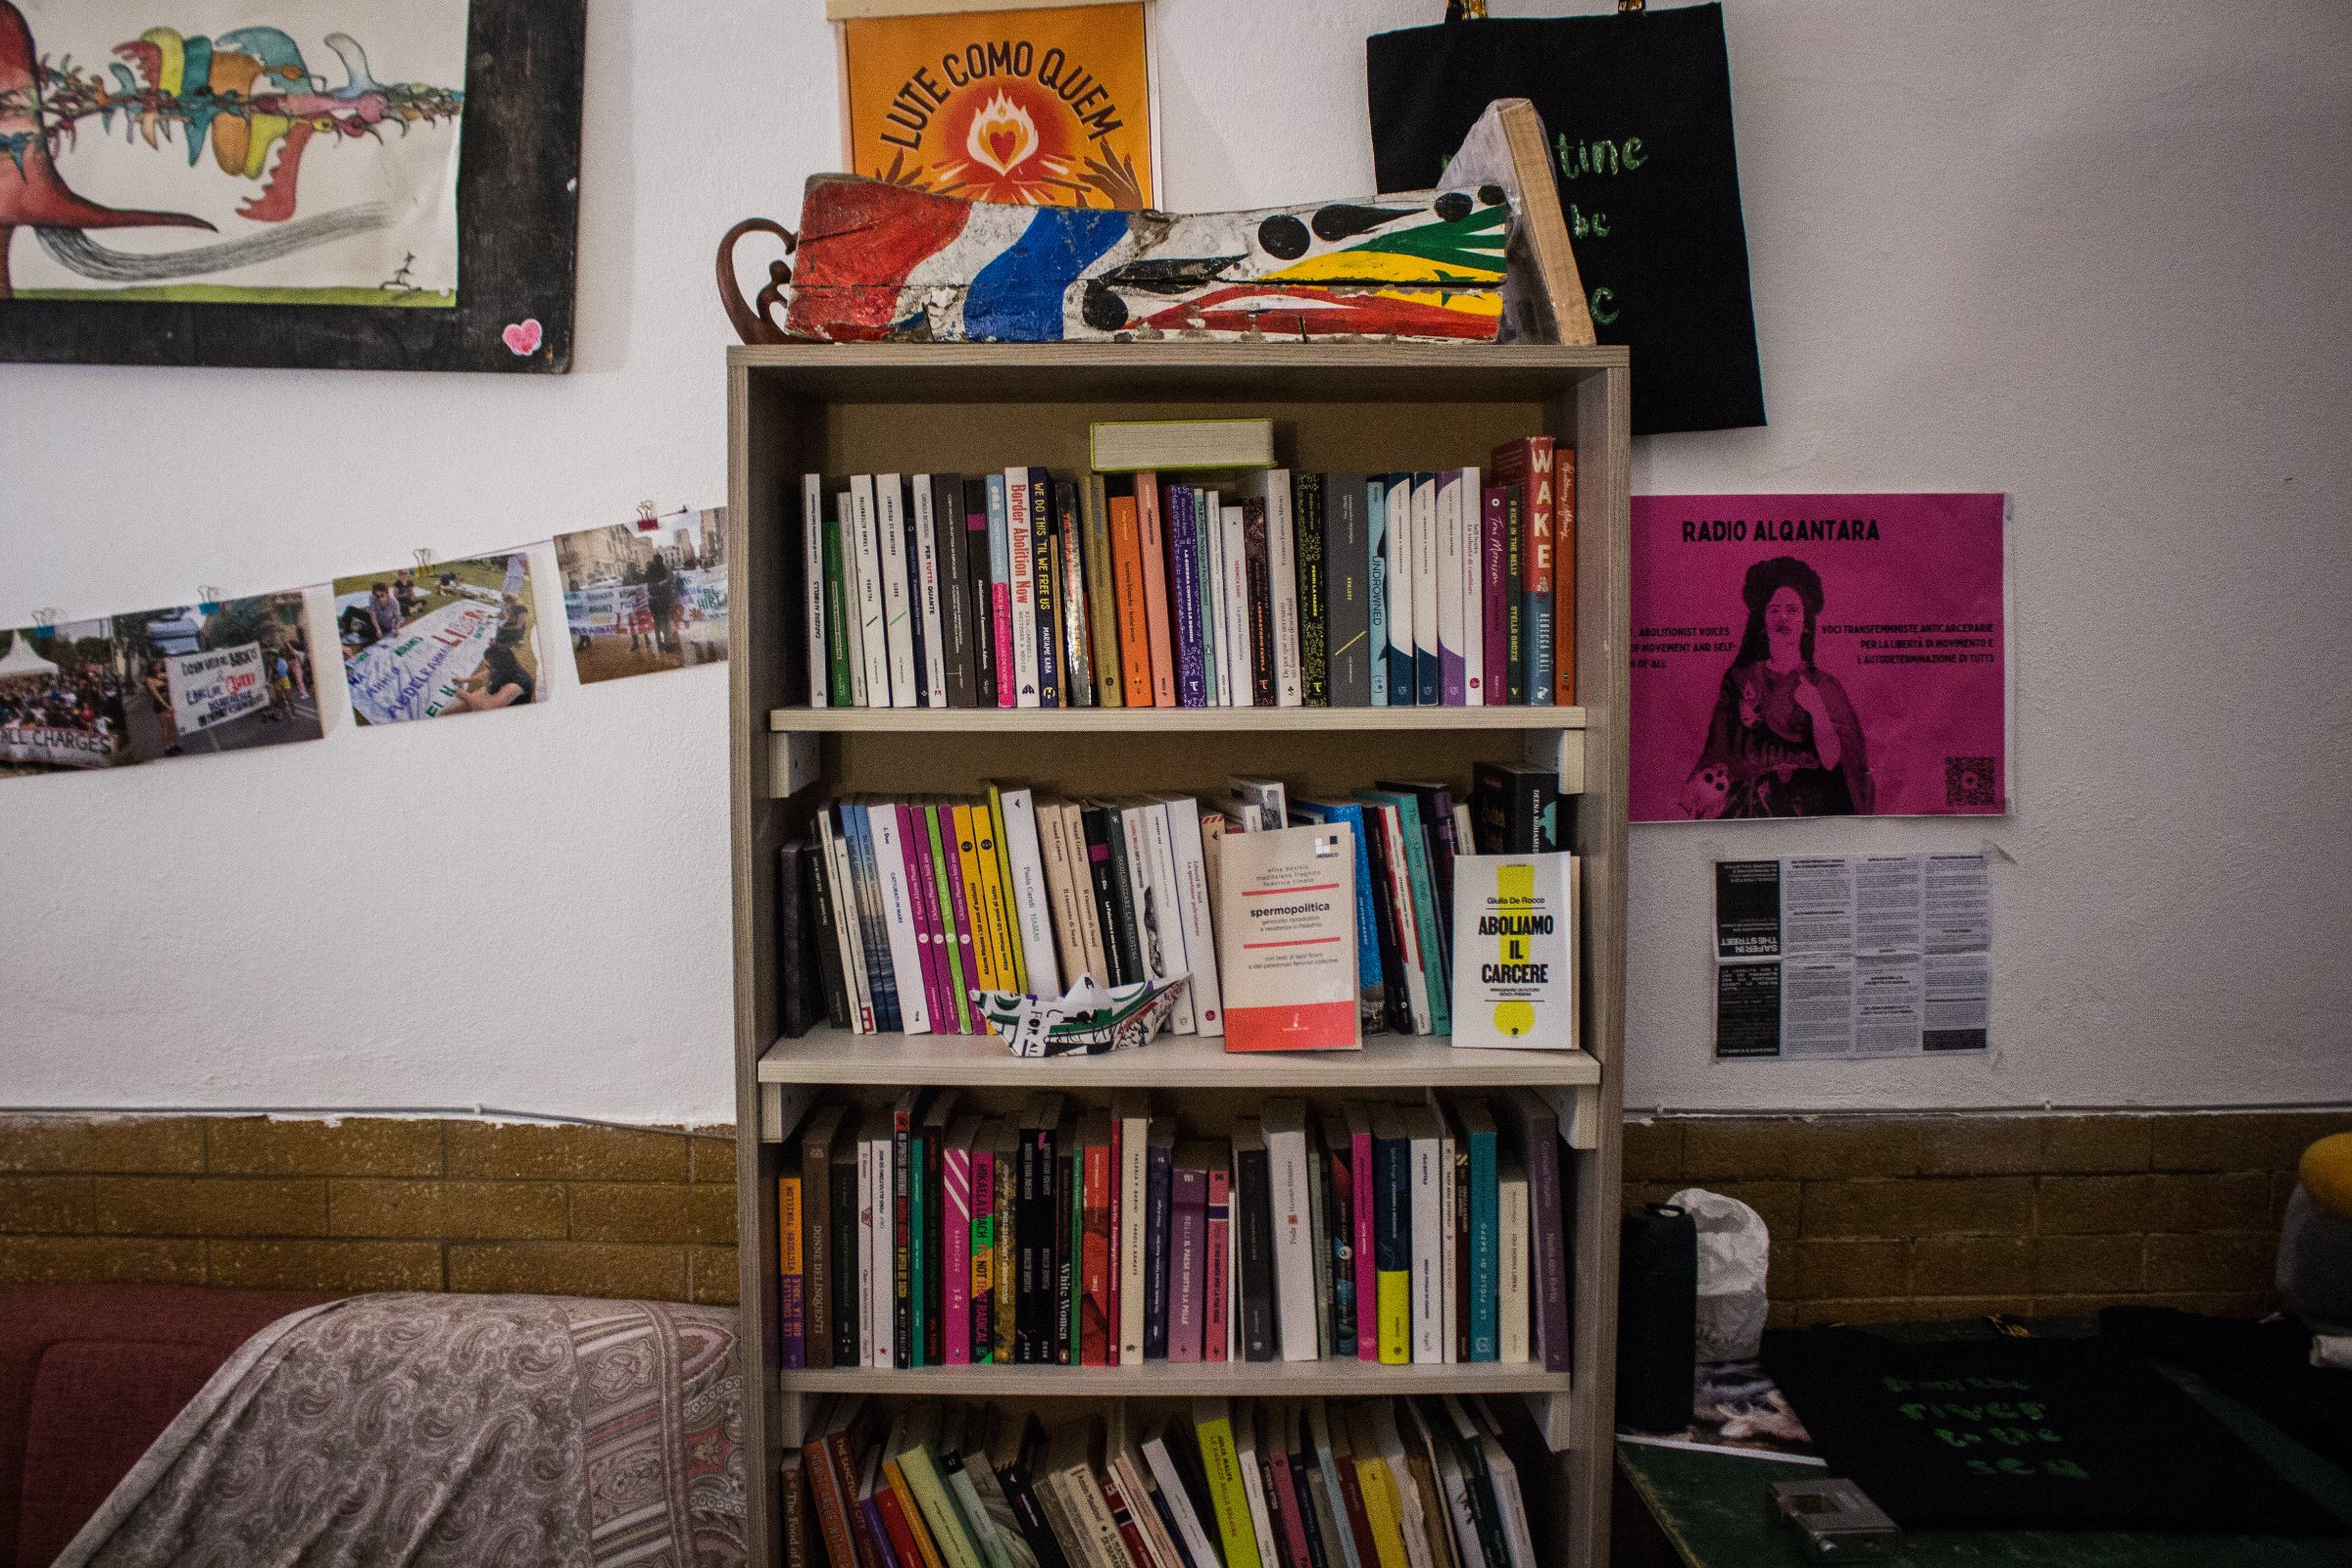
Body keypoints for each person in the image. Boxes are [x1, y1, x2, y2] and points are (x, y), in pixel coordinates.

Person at [1682, 556, 1873, 817]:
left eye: (1792, 610)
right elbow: (1719, 748)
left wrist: (1817, 709)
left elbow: (1836, 763)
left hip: (1810, 810)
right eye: (1774, 610)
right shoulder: (1740, 679)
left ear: (1805, 623)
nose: (1783, 617)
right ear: (1763, 621)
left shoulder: (1825, 686)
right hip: (1750, 810)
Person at [443, 622, 536, 712]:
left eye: (489, 665)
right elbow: (485, 674)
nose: (485, 665)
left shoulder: (514, 686)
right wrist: (464, 680)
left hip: (507, 709)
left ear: (497, 666)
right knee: (459, 707)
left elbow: (486, 709)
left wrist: (465, 695)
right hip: (496, 694)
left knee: (469, 703)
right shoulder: (506, 666)